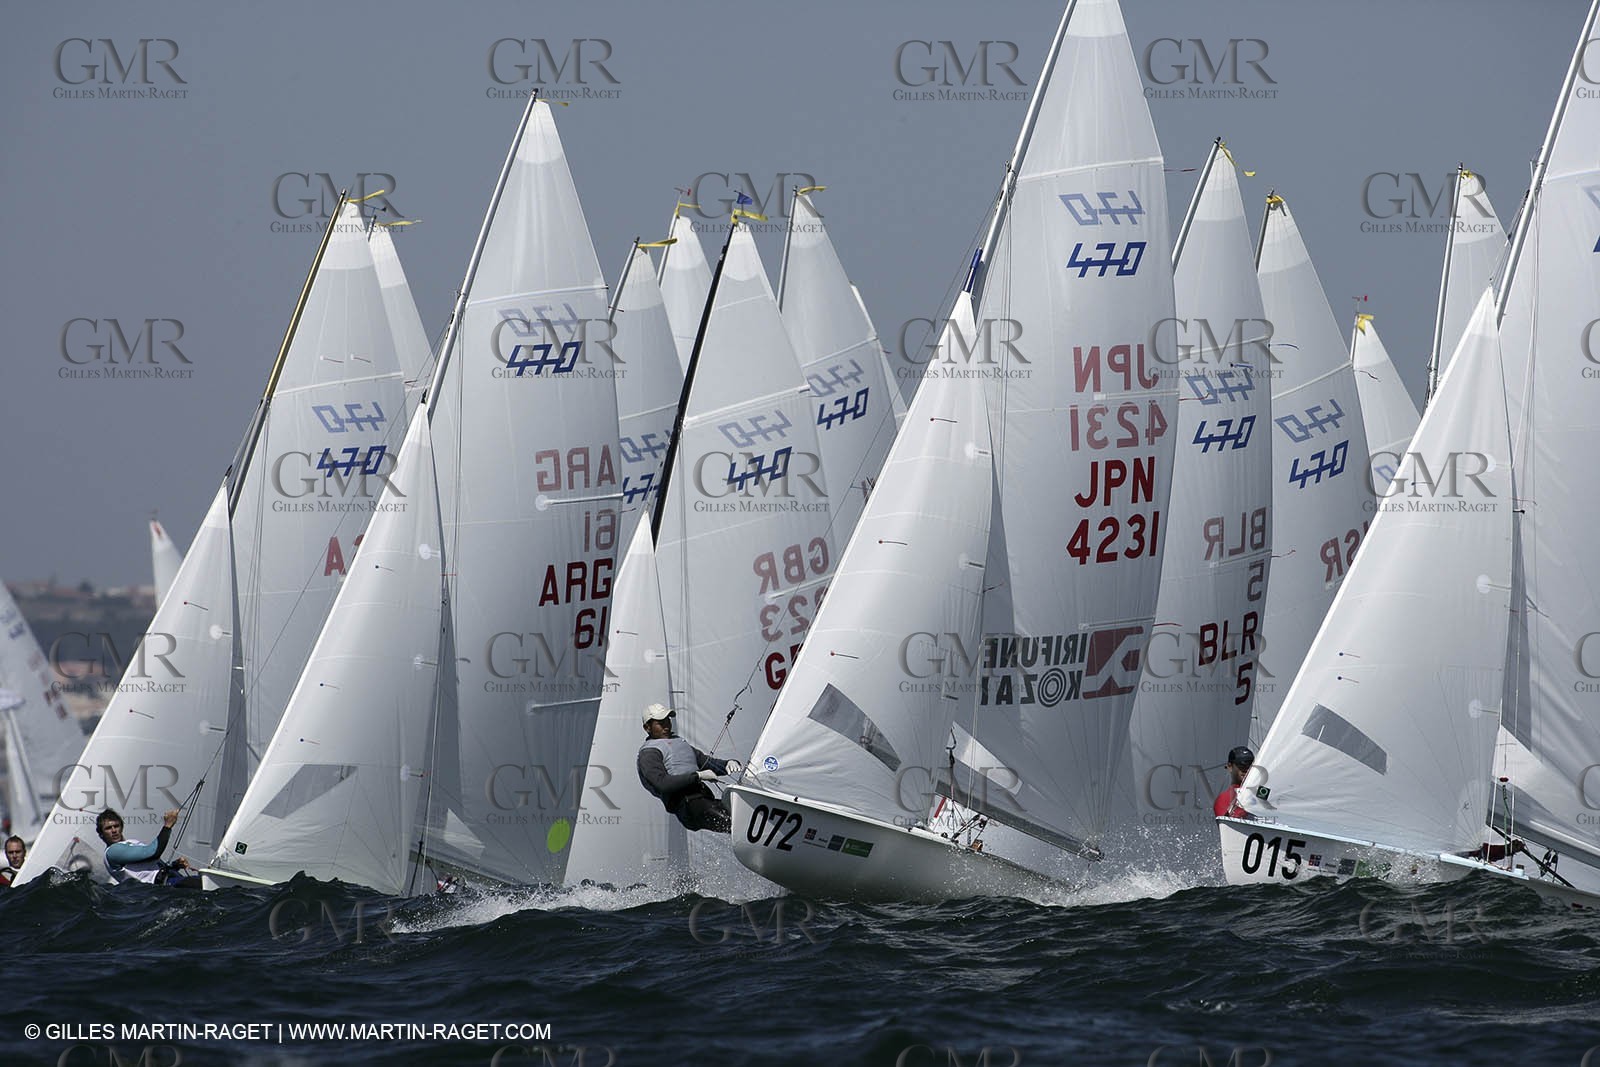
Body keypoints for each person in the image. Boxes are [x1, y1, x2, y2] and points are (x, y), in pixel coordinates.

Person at [636, 703, 741, 833]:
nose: (666, 725)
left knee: (741, 816)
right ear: (647, 727)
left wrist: (728, 763)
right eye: (660, 722)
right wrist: (698, 776)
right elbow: (662, 783)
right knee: (733, 823)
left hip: (704, 799)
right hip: (688, 806)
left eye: (667, 720)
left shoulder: (679, 742)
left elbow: (706, 762)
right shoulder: (649, 753)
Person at [96, 808, 201, 888]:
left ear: (121, 827)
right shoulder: (113, 852)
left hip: (170, 880)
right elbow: (153, 853)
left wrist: (175, 865)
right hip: (159, 888)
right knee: (204, 885)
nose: (114, 830)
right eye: (108, 828)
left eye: (116, 826)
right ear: (101, 834)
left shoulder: (131, 843)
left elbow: (149, 866)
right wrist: (167, 825)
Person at [1213, 746, 1256, 820]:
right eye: (1242, 765)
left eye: (1250, 766)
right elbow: (1227, 827)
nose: (1246, 769)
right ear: (1230, 767)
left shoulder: (1260, 794)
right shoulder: (1224, 798)